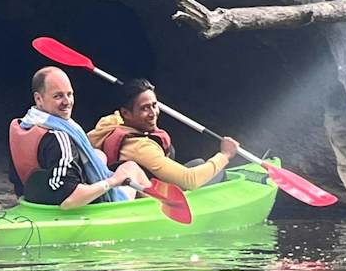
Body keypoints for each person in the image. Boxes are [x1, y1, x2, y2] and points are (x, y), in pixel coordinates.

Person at [9, 67, 150, 208]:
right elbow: (69, 200)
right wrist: (113, 181)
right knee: (132, 168)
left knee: (98, 155)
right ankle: (160, 213)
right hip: (68, 206)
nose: (67, 102)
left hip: (33, 200)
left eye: (69, 94)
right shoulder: (59, 138)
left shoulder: (25, 125)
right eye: (58, 96)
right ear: (39, 99)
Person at [89, 77, 239, 190]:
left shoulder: (109, 122)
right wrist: (224, 155)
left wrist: (141, 100)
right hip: (156, 199)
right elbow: (190, 180)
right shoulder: (140, 148)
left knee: (199, 163)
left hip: (154, 183)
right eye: (144, 108)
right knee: (218, 172)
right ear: (126, 113)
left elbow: (116, 115)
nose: (153, 113)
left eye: (154, 105)